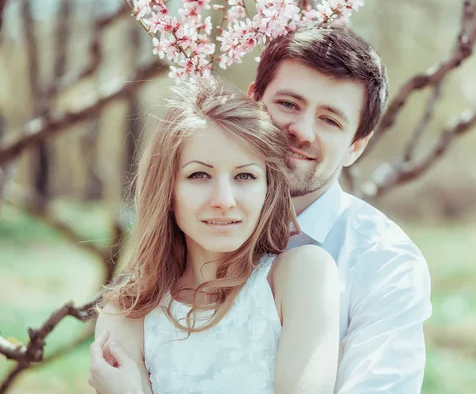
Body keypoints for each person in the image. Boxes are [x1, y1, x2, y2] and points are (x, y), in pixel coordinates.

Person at [88, 79, 341, 394]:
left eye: (245, 176)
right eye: (199, 175)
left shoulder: (301, 276)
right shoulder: (127, 314)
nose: (224, 199)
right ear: (167, 190)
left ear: (268, 189)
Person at [248, 26, 432, 393]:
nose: (301, 130)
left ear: (355, 147)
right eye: (288, 104)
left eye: (330, 120)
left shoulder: (386, 263)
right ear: (252, 102)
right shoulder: (189, 220)